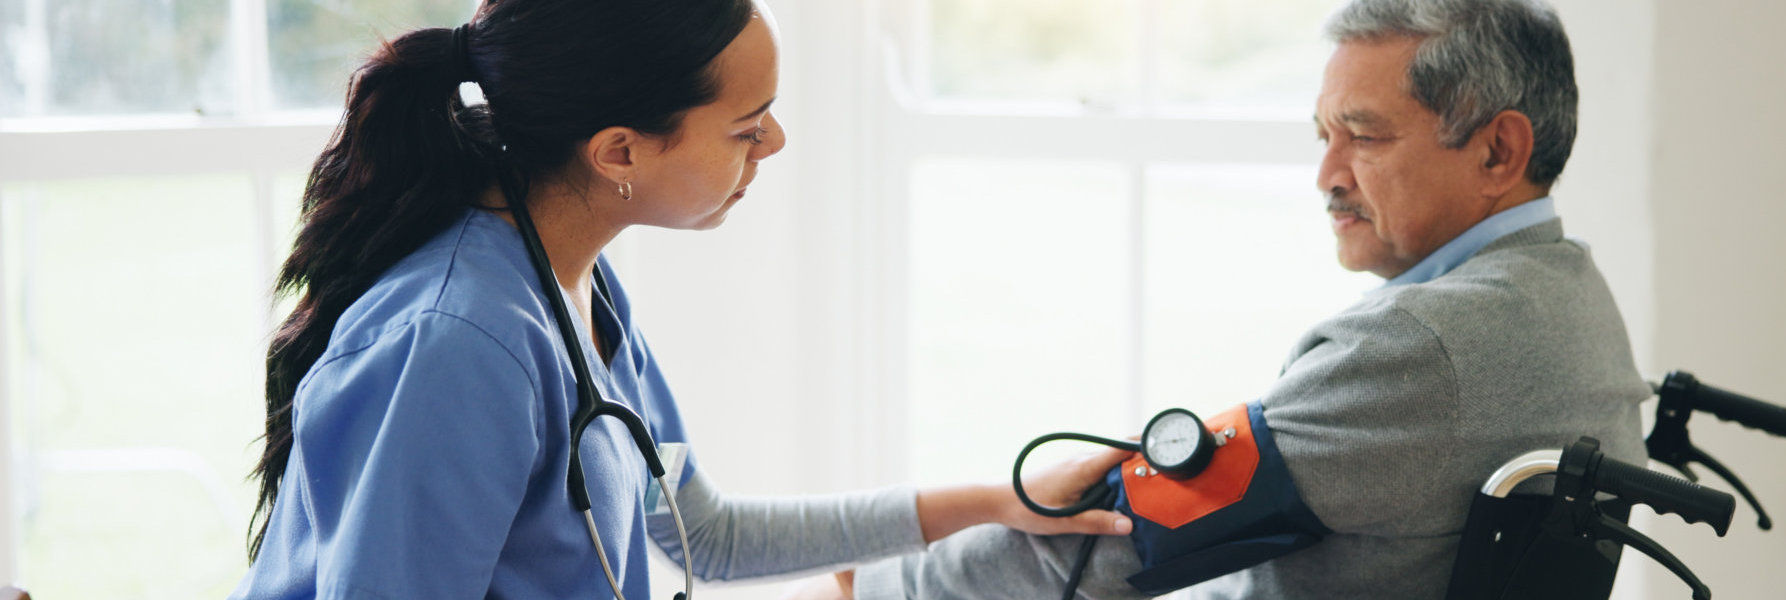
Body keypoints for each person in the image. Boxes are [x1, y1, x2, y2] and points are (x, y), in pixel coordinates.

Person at [230, 0, 1132, 597]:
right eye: (746, 127)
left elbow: (702, 531)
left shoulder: (575, 284)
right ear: (619, 152)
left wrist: (1000, 500)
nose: (775, 143)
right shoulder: (455, 345)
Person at [820, 0, 1649, 598]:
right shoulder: (1571, 294)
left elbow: (1107, 539)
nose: (1325, 175)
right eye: (1323, 136)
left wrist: (872, 588)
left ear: (1498, 152)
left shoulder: (1422, 346)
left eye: (1364, 136)